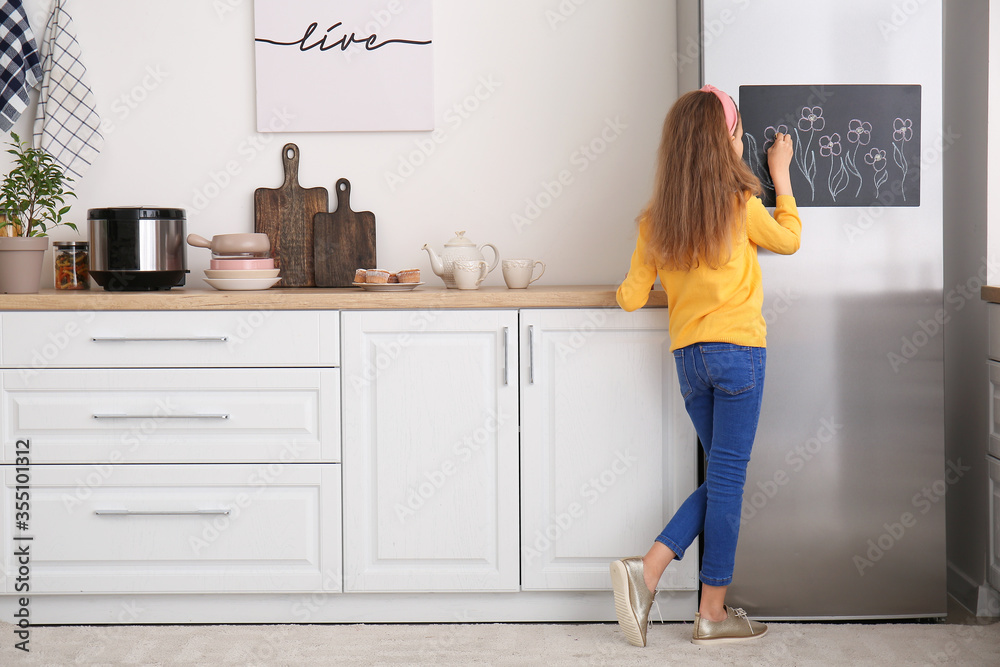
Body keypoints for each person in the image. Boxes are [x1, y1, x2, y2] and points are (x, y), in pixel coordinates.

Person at [610, 84, 801, 646]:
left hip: (688, 361)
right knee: (728, 478)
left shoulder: (655, 221)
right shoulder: (741, 204)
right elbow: (789, 239)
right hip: (739, 353)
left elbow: (628, 295)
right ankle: (694, 602)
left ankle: (655, 575)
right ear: (727, 143)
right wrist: (779, 172)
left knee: (721, 473)